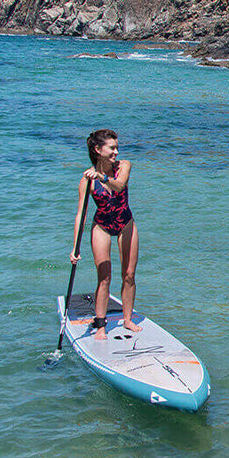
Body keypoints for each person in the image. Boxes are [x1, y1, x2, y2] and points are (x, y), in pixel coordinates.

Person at [70, 128, 142, 340]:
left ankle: (127, 319)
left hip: (125, 223)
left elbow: (119, 186)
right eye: (112, 148)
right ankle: (100, 325)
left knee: (129, 275)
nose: (116, 152)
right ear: (98, 149)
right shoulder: (87, 179)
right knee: (104, 277)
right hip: (101, 226)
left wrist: (101, 176)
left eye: (117, 147)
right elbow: (80, 216)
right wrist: (75, 248)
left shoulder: (124, 167)